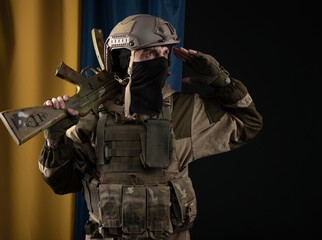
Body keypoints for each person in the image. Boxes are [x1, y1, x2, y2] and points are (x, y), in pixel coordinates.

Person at [38, 14, 263, 240]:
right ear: (122, 58)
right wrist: (55, 138)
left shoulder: (185, 111)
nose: (161, 61)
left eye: (165, 53)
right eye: (150, 52)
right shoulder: (91, 116)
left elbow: (248, 123)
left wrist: (222, 81)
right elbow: (61, 183)